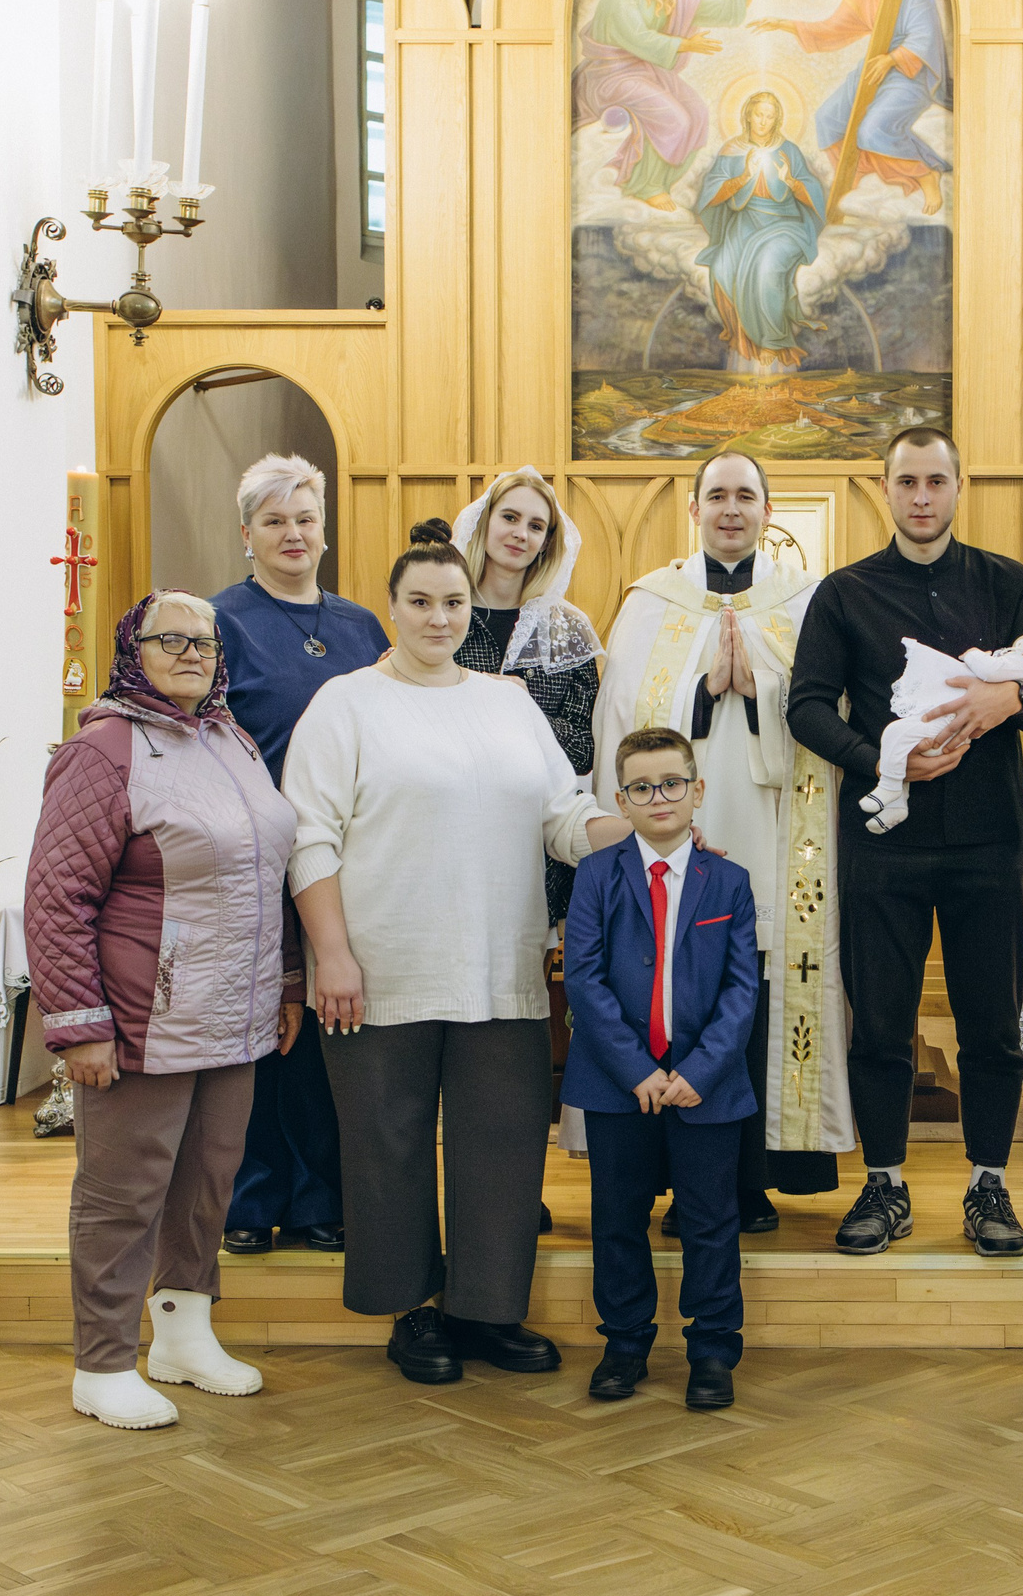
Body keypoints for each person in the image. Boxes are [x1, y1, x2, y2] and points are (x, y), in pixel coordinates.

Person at [281, 524, 635, 1384]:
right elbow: (308, 838)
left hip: (498, 961)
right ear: (393, 609)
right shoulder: (346, 703)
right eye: (420, 603)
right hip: (379, 963)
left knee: (503, 1142)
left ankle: (485, 1311)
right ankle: (412, 1311)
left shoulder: (506, 702)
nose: (438, 618)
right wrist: (331, 954)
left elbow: (562, 815)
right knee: (388, 1141)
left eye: (451, 604)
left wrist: (647, 829)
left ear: (466, 609)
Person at [25, 591, 301, 1430]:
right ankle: (102, 1360)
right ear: (131, 648)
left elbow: (266, 872)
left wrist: (286, 981)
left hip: (235, 1010)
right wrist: (79, 1024)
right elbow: (55, 895)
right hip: (144, 1015)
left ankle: (183, 1336)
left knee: (207, 1182)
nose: (191, 652)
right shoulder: (105, 749)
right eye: (169, 639)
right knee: (123, 1192)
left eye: (205, 641)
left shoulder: (233, 738)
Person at [789, 426, 1023, 1257]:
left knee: (989, 1028)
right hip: (884, 841)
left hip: (990, 839)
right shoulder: (844, 593)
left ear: (958, 485)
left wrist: (1002, 703)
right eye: (908, 481)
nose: (922, 496)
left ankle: (988, 1184)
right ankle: (886, 1182)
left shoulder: (1007, 583)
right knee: (880, 1023)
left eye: (937, 479)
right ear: (886, 489)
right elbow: (805, 706)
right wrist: (877, 761)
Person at [593, 452, 851, 1233]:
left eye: (746, 496)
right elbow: (626, 715)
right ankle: (672, 1178)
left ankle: (751, 1179)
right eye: (717, 496)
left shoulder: (806, 604)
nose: (730, 509)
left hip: (775, 835)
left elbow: (829, 709)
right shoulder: (651, 602)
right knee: (675, 990)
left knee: (757, 990)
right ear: (694, 511)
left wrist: (766, 690)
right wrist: (700, 692)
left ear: (770, 513)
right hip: (677, 835)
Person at [209, 454, 390, 1259]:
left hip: (346, 858)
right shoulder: (220, 621)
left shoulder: (360, 627)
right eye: (275, 519)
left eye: (305, 518)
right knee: (257, 1035)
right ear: (246, 533)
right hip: (251, 858)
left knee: (330, 1031)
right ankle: (249, 1196)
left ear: (325, 531)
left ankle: (323, 1196)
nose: (293, 532)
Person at [564, 726, 759, 1411]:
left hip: (707, 1086)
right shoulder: (596, 875)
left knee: (709, 1218)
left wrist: (699, 1071)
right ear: (622, 798)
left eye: (672, 782)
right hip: (620, 1086)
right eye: (642, 788)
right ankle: (624, 1343)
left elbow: (742, 990)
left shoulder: (728, 881)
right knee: (618, 1217)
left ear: (696, 790)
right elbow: (584, 979)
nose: (660, 797)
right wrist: (636, 1071)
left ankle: (712, 1349)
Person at [453, 467, 604, 927]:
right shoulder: (443, 614)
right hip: (452, 826)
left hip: (536, 837)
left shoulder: (568, 629)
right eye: (510, 517)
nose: (520, 534)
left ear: (547, 541)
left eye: (536, 526)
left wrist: (524, 706)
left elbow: (583, 747)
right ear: (485, 522)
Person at [751, 0, 951, 213]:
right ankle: (860, 178)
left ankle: (927, 175)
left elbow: (925, 34)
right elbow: (833, 29)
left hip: (911, 68)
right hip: (874, 65)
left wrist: (892, 59)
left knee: (872, 130)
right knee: (828, 120)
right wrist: (784, 23)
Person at [573, 0, 768, 209]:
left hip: (646, 71)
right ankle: (644, 185)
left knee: (697, 113)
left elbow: (726, 10)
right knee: (675, 118)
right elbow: (634, 36)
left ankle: (659, 182)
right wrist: (685, 44)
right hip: (611, 73)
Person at [863, 629, 1023, 834]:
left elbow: (991, 671)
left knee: (894, 733)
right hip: (951, 726)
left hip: (950, 726)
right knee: (902, 754)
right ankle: (896, 806)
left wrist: (973, 655)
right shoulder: (1014, 659)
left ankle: (888, 786)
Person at [693, 91, 829, 369]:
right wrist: (743, 176)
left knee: (767, 266)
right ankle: (742, 336)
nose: (764, 122)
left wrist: (790, 181)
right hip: (746, 221)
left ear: (777, 119)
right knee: (720, 267)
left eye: (770, 116)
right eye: (759, 115)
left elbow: (813, 192)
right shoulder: (732, 150)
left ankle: (772, 339)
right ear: (748, 115)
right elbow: (710, 195)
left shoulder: (788, 150)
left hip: (786, 223)